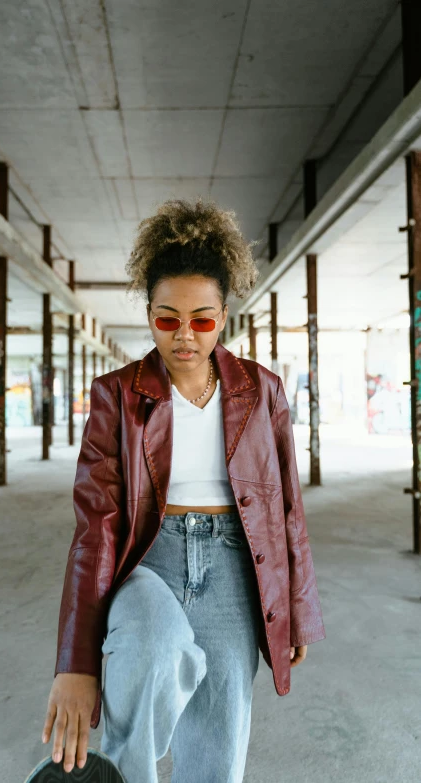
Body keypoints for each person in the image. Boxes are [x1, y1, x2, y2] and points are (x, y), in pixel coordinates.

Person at [41, 198, 326, 783]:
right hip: (151, 558)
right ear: (150, 315)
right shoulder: (115, 395)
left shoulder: (261, 390)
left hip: (233, 567)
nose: (185, 336)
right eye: (168, 319)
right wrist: (74, 662)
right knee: (149, 646)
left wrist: (298, 608)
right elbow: (95, 526)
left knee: (218, 748)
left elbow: (286, 507)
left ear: (224, 314)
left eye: (202, 319)